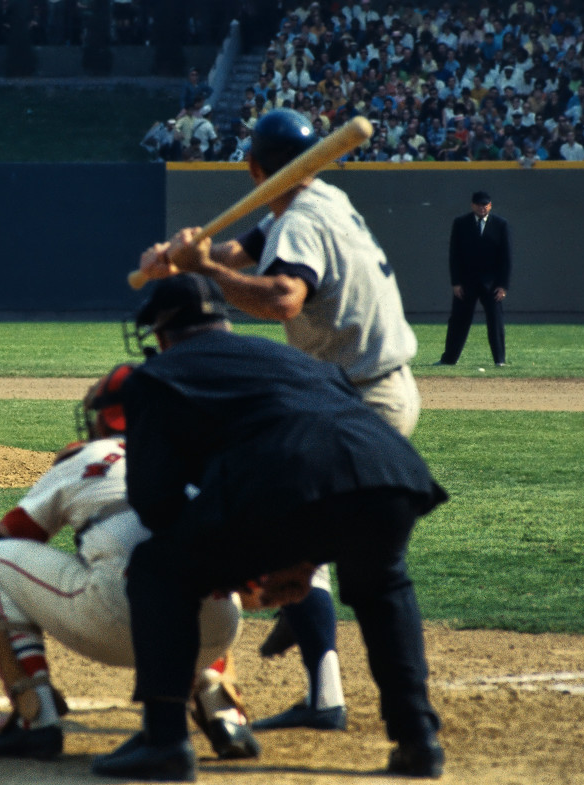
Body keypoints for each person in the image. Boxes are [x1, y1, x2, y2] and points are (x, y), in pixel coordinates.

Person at [134, 108, 424, 737]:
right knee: (327, 552)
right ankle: (321, 646)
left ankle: (317, 675)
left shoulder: (301, 221)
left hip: (355, 402)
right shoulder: (322, 200)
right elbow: (248, 250)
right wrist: (188, 258)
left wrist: (204, 271)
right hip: (363, 396)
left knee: (300, 544)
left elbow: (282, 296)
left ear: (252, 167)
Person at [90, 274, 447, 783]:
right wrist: (290, 550)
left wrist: (236, 562)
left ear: (162, 333)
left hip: (289, 477)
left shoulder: (158, 375)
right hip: (390, 468)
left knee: (158, 567)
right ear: (223, 321)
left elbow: (155, 504)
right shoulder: (291, 357)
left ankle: (165, 739)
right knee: (382, 585)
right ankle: (418, 739)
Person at [0, 368, 262, 762]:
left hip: (116, 624)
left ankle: (36, 718)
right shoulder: (198, 457)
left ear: (103, 418)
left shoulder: (88, 455)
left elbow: (11, 535)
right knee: (197, 571)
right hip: (218, 630)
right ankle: (224, 712)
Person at [434, 191, 512, 367]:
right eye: (479, 204)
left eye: (485, 205)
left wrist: (503, 286)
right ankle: (449, 359)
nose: (482, 208)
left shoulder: (500, 225)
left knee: (495, 321)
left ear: (490, 206)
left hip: (491, 284)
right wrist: (456, 282)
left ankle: (499, 360)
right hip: (466, 282)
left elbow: (506, 258)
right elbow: (454, 255)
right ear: (472, 205)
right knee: (458, 321)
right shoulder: (461, 223)